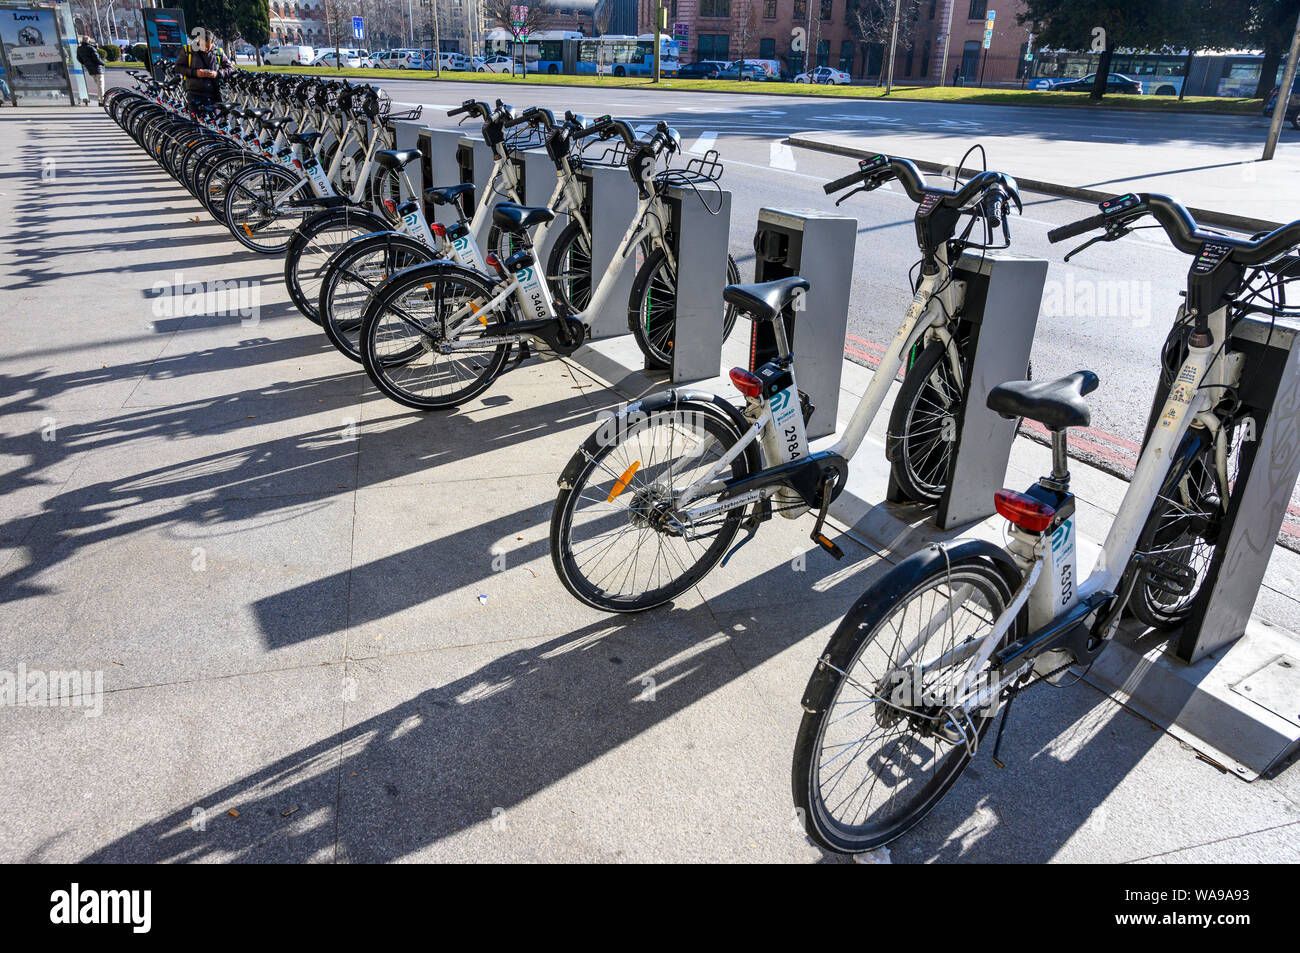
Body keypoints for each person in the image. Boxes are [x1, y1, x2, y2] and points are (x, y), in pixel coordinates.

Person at [175, 28, 235, 109]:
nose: (205, 48)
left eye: (207, 46)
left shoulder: (218, 52)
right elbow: (178, 68)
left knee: (215, 121)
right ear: (199, 41)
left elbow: (230, 68)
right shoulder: (188, 50)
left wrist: (217, 74)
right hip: (194, 93)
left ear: (212, 42)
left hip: (214, 94)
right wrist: (195, 72)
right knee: (195, 121)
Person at [76, 36, 105, 105]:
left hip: (90, 69)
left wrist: (85, 63)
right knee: (100, 85)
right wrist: (103, 63)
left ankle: (100, 99)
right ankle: (101, 101)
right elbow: (96, 58)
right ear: (89, 41)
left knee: (98, 85)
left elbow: (79, 58)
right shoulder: (91, 48)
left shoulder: (79, 48)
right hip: (97, 69)